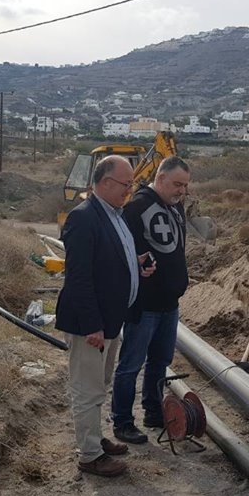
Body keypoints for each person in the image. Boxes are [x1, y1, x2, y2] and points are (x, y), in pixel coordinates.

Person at [54, 155, 155, 478]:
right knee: (87, 389)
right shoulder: (83, 218)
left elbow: (110, 257)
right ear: (106, 182)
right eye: (126, 184)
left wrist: (136, 263)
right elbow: (78, 278)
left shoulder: (114, 214)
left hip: (110, 320)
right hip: (91, 326)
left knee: (100, 384)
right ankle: (90, 455)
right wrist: (92, 325)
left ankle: (95, 439)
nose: (130, 190)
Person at [111, 157, 191, 444]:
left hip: (169, 304)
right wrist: (138, 262)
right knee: (131, 364)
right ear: (160, 179)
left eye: (185, 185)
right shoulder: (136, 207)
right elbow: (121, 250)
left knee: (160, 361)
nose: (181, 190)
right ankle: (122, 421)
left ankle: (153, 411)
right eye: (177, 184)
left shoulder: (176, 207)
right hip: (144, 305)